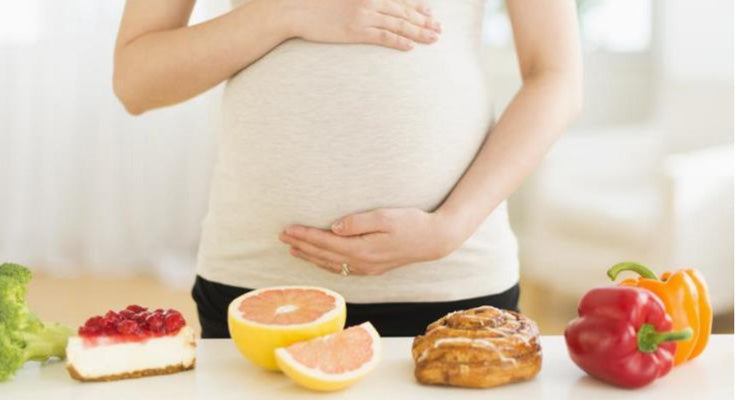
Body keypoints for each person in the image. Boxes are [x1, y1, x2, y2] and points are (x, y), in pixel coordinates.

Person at [113, 0, 582, 337]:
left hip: (453, 281)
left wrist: (449, 226)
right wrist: (283, 13)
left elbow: (556, 74)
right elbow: (137, 80)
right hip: (260, 286)